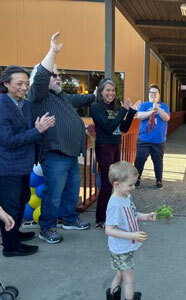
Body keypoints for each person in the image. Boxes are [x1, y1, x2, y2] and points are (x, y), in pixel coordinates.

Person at [28, 32, 96, 244]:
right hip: (55, 154)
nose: (59, 78)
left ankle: (68, 218)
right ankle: (46, 228)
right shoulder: (38, 96)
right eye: (54, 75)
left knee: (72, 189)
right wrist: (52, 52)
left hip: (70, 153)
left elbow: (82, 98)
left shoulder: (62, 97)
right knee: (53, 193)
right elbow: (40, 77)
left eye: (59, 75)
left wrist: (96, 94)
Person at [0, 65, 55, 256]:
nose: (24, 87)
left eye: (26, 83)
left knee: (22, 200)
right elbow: (8, 141)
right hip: (7, 167)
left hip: (24, 164)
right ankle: (10, 246)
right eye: (19, 84)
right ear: (6, 84)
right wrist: (37, 130)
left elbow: (31, 129)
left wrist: (42, 126)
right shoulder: (2, 106)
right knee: (11, 206)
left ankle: (14, 234)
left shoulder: (25, 104)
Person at [90, 78, 141, 229]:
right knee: (107, 183)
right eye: (107, 90)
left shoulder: (116, 106)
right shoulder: (96, 107)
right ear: (101, 92)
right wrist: (124, 110)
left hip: (116, 145)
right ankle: (101, 218)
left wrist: (131, 112)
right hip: (104, 146)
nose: (111, 93)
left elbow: (123, 128)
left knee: (117, 182)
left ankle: (113, 214)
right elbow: (109, 127)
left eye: (113, 90)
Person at [105, 161, 157, 300]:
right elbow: (109, 230)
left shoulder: (126, 196)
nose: (133, 187)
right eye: (130, 185)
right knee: (129, 280)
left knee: (120, 274)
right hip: (121, 249)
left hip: (125, 247)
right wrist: (132, 235)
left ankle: (112, 295)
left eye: (134, 183)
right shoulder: (115, 204)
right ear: (117, 184)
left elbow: (132, 214)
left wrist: (146, 216)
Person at [134, 84, 170, 189]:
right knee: (140, 159)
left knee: (158, 161)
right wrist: (152, 111)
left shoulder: (164, 106)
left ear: (159, 95)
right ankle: (137, 179)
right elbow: (139, 116)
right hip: (144, 139)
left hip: (158, 140)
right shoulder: (144, 105)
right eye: (151, 93)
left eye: (155, 93)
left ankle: (159, 180)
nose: (152, 95)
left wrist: (158, 109)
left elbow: (166, 118)